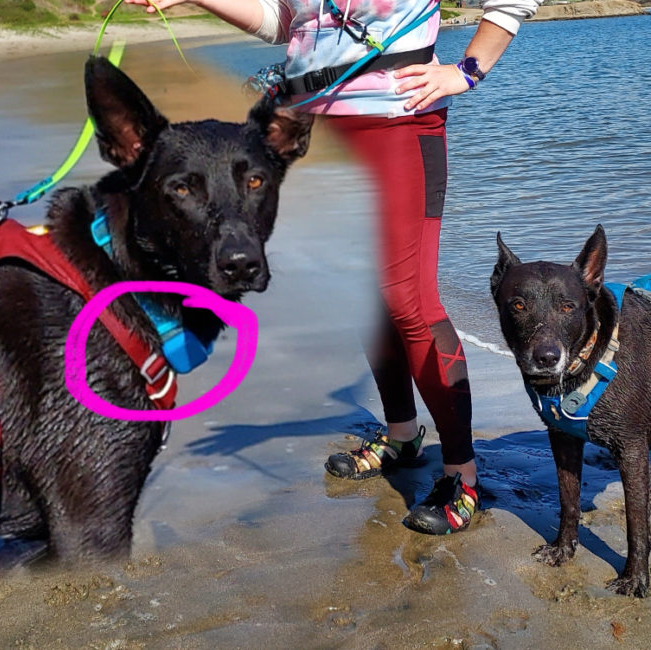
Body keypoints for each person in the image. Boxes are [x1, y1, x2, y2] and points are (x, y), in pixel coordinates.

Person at [124, 0, 541, 534]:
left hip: (397, 122)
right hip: (315, 126)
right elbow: (284, 22)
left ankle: (462, 475)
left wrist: (467, 70)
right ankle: (402, 435)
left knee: (407, 300)